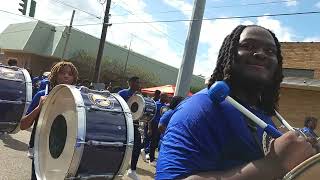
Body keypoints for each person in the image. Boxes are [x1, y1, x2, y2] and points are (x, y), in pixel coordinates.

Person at [156, 25, 317, 180]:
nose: (261, 54)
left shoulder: (263, 114)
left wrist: (301, 160)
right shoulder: (200, 108)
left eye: (270, 51)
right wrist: (272, 164)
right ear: (230, 54)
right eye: (248, 45)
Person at [20, 61, 78, 180]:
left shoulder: (78, 100)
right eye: (62, 73)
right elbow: (23, 125)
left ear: (74, 78)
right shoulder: (42, 95)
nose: (66, 76)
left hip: (66, 154)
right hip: (42, 151)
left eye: (70, 74)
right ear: (55, 76)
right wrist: (39, 108)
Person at [118, 76, 141, 180]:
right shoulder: (122, 93)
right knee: (122, 147)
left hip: (135, 125)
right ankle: (118, 169)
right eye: (136, 82)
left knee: (137, 147)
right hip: (124, 124)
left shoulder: (139, 97)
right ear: (130, 83)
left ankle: (132, 170)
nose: (138, 84)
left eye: (139, 83)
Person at [142, 90, 162, 162]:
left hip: (155, 124)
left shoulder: (161, 104)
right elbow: (150, 115)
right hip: (150, 123)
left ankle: (146, 151)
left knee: (152, 140)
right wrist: (149, 127)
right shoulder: (153, 102)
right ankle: (146, 152)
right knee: (148, 138)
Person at [148, 93, 168, 166]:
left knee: (156, 142)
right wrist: (149, 128)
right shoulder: (156, 104)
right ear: (162, 97)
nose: (167, 98)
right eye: (166, 97)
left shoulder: (165, 106)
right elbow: (150, 117)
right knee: (153, 142)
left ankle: (148, 154)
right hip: (154, 125)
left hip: (160, 126)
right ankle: (151, 159)